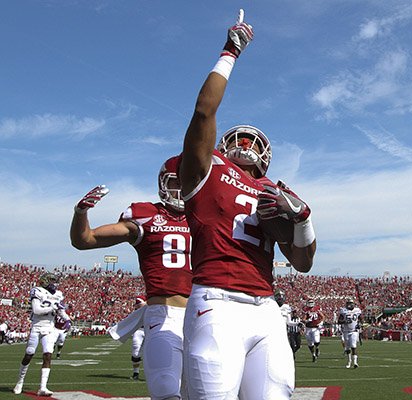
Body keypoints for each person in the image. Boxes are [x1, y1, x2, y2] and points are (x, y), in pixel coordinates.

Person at [178, 8, 316, 399]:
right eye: (240, 139)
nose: (246, 146)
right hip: (216, 302)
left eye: (254, 143)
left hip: (267, 307)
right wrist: (229, 52)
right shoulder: (206, 170)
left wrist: (303, 218)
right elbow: (204, 110)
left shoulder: (272, 190)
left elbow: (303, 263)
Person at [70, 155, 192, 400]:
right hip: (164, 314)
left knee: (207, 393)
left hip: (204, 314)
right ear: (162, 184)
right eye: (174, 182)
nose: (179, 189)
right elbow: (84, 240)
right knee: (166, 391)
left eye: (185, 182)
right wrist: (80, 212)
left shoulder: (205, 216)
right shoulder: (144, 214)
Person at [13, 272, 65, 396]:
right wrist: (52, 309)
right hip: (37, 327)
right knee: (29, 354)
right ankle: (20, 382)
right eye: (51, 281)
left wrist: (67, 319)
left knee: (48, 355)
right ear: (45, 281)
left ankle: (43, 387)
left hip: (50, 328)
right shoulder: (37, 291)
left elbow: (61, 310)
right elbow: (36, 310)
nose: (54, 283)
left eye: (54, 281)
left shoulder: (58, 294)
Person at [275, 289, 303, 358]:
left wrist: (297, 323)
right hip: (273, 330)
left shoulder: (286, 307)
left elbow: (289, 322)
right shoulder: (271, 306)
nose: (280, 298)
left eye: (281, 297)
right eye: (278, 297)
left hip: (283, 331)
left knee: (285, 346)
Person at [338, 299, 362, 369]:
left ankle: (355, 362)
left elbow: (360, 318)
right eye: (348, 303)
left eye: (351, 303)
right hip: (346, 331)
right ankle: (349, 361)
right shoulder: (343, 311)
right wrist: (343, 321)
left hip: (354, 331)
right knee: (347, 348)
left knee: (353, 346)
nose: (349, 305)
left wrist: (360, 324)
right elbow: (339, 321)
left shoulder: (357, 310)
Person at [130, 296, 146, 381]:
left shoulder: (149, 307)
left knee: (151, 353)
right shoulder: (136, 311)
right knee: (136, 353)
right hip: (139, 330)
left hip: (149, 330)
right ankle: (136, 373)